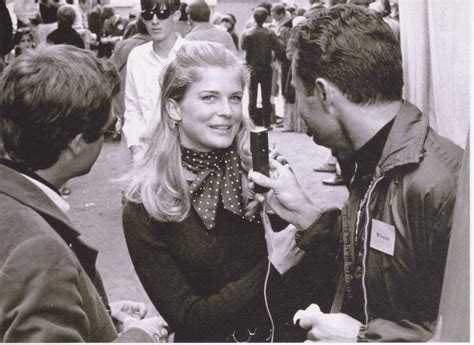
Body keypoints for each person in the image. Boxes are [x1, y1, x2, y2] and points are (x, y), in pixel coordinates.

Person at [249, 4, 463, 342]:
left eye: (296, 92)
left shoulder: (445, 187)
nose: (300, 113)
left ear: (323, 94)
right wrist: (306, 213)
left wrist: (360, 339)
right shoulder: (371, 161)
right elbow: (383, 264)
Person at [122, 41, 320, 342]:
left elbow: (309, 271)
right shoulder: (146, 202)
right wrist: (272, 267)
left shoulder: (262, 170)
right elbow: (190, 319)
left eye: (235, 97)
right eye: (209, 98)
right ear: (174, 108)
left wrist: (303, 214)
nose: (227, 112)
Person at [0, 45, 168, 342]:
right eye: (109, 128)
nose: (109, 137)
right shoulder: (40, 250)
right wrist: (139, 337)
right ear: (77, 142)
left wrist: (95, 312)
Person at [122, 0, 187, 163]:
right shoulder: (137, 57)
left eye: (162, 14)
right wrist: (136, 149)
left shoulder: (193, 55)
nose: (155, 21)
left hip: (188, 155)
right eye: (148, 15)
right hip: (147, 156)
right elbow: (133, 109)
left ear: (176, 16)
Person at [241, 7, 285, 128]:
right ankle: (267, 123)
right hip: (266, 67)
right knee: (266, 95)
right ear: (266, 18)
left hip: (251, 67)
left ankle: (253, 121)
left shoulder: (247, 32)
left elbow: (243, 47)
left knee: (252, 95)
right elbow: (280, 47)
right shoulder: (270, 33)